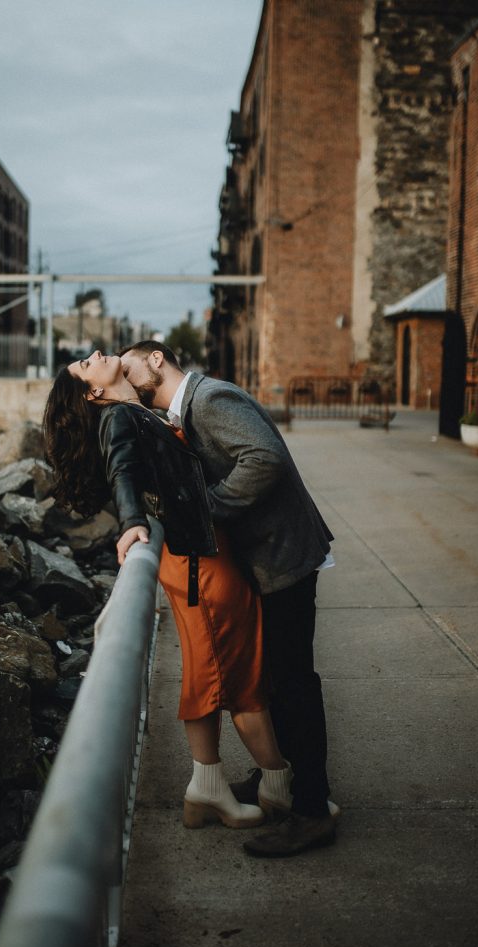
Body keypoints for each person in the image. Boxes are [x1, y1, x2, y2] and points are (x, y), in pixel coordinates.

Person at [42, 350, 294, 832]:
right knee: (238, 677)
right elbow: (123, 470)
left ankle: (209, 786)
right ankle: (280, 788)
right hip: (201, 563)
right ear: (93, 392)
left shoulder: (133, 410)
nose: (92, 355)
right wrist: (133, 522)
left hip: (196, 558)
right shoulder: (117, 417)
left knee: (209, 668)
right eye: (84, 365)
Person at [119, 341, 337, 857]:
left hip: (283, 556)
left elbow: (265, 459)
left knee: (292, 684)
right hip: (268, 557)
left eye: (129, 366)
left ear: (156, 360)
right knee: (277, 679)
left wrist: (207, 510)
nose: (126, 377)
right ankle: (290, 789)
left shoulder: (209, 399)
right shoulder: (183, 412)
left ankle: (310, 810)